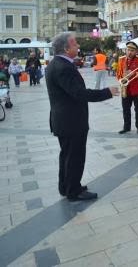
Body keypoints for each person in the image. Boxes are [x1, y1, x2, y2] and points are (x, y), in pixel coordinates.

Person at [46, 32, 119, 201]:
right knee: (75, 157)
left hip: (65, 120)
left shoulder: (56, 64)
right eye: (75, 44)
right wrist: (107, 92)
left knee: (67, 155)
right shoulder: (63, 67)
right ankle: (74, 190)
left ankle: (66, 186)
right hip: (71, 122)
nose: (78, 46)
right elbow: (79, 93)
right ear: (66, 48)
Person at [116, 42, 138, 134]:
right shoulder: (121, 60)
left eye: (132, 51)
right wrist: (121, 78)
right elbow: (118, 73)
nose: (129, 52)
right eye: (128, 50)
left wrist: (134, 73)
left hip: (136, 88)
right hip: (125, 88)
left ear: (136, 51)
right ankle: (126, 127)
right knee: (125, 108)